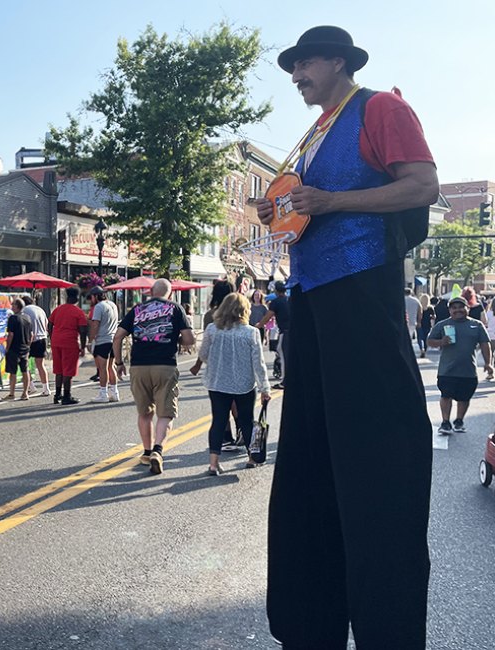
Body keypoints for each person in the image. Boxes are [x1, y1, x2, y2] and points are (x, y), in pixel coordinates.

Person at [256, 26, 438, 648]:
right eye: (294, 65)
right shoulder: (314, 132)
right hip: (310, 308)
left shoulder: (381, 106)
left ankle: (387, 630)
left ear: (338, 61)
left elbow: (423, 187)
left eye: (304, 62)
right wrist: (280, 208)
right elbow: (310, 206)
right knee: (311, 471)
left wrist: (330, 202)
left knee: (376, 471)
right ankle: (313, 623)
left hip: (361, 303)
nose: (296, 74)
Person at [112, 279, 195, 474]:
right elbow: (189, 340)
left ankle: (147, 452)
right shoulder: (175, 308)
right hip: (164, 365)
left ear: (150, 291)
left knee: (144, 412)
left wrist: (118, 363)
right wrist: (175, 337)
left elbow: (118, 337)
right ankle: (158, 450)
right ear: (171, 293)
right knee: (165, 413)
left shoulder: (138, 309)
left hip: (139, 366)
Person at [195, 293, 271, 475]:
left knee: (218, 421)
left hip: (217, 382)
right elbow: (258, 363)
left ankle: (213, 463)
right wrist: (264, 388)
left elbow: (203, 354)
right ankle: (252, 457)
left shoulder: (212, 329)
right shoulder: (251, 332)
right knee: (246, 420)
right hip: (243, 383)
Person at [427, 295, 492, 434]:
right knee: (446, 395)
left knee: (464, 397)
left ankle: (459, 421)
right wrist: (441, 342)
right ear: (450, 310)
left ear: (467, 308)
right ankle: (445, 422)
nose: (458, 310)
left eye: (461, 307)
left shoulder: (476, 325)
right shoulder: (443, 324)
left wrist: (488, 363)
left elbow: (485, 344)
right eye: (454, 308)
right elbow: (430, 341)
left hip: (468, 370)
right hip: (447, 370)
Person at [48, 287, 89, 405]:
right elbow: (82, 331)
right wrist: (83, 346)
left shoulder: (58, 309)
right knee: (68, 370)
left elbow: (50, 324)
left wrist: (52, 337)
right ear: (76, 298)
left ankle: (57, 395)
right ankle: (67, 395)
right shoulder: (78, 312)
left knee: (58, 369)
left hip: (56, 341)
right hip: (70, 342)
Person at [87, 286, 120, 403]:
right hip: (113, 339)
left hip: (102, 340)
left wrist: (90, 340)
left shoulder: (99, 307)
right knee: (111, 366)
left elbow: (95, 324)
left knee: (102, 368)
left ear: (96, 296)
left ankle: (103, 393)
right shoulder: (113, 305)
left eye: (91, 297)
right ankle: (115, 392)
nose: (91, 300)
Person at [257, 281, 290, 390]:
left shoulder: (275, 302)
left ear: (275, 290)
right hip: (291, 331)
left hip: (284, 332)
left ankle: (285, 381)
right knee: (282, 352)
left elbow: (268, 316)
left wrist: (260, 325)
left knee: (283, 356)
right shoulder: (289, 300)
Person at [2, 298, 33, 401]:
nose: (11, 305)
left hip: (14, 348)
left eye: (13, 304)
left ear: (17, 306)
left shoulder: (13, 318)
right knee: (25, 370)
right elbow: (31, 334)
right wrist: (28, 345)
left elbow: (10, 334)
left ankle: (12, 393)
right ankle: (25, 393)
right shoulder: (27, 318)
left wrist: (7, 347)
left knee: (13, 372)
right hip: (25, 348)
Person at [21, 294, 51, 396]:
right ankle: (46, 388)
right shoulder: (40, 310)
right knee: (40, 365)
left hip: (30, 339)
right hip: (42, 338)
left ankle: (31, 386)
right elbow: (47, 325)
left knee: (24, 363)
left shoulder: (24, 310)